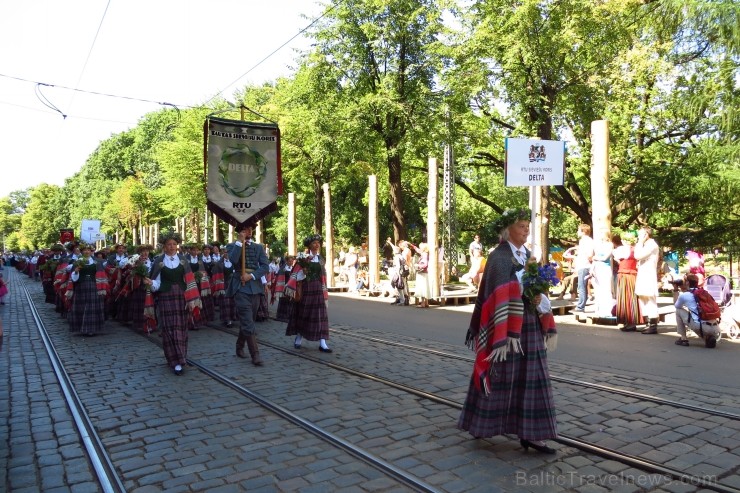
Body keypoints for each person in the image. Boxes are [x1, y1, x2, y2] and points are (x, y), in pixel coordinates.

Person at [458, 208, 558, 454]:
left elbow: (535, 289)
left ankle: (532, 434)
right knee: (499, 373)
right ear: (508, 230)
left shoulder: (529, 255)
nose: (526, 230)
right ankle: (481, 423)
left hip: (529, 326)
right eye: (522, 226)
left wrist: (539, 298)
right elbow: (498, 291)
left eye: (527, 225)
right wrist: (524, 284)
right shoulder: (498, 257)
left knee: (533, 378)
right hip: (505, 331)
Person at [146, 231, 202, 375]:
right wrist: (150, 283)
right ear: (164, 247)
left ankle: (181, 358)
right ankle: (173, 360)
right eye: (169, 244)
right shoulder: (158, 262)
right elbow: (156, 283)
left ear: (177, 246)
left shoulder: (183, 260)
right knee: (168, 329)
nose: (171, 247)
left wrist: (191, 300)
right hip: (165, 298)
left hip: (181, 298)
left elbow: (189, 281)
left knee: (181, 328)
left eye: (174, 244)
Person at [225, 222, 270, 366]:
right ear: (240, 231)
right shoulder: (232, 246)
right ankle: (255, 355)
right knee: (248, 321)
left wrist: (251, 276)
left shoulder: (258, 247)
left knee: (248, 320)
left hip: (254, 286)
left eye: (250, 228)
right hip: (240, 286)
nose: (249, 231)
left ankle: (239, 345)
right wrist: (239, 242)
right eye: (246, 228)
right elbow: (232, 260)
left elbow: (265, 266)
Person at [285, 235, 332, 352]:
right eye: (314, 243)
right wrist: (304, 272)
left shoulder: (321, 259)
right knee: (304, 313)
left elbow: (323, 275)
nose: (317, 245)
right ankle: (299, 337)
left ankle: (323, 342)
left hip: (318, 290)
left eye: (318, 243)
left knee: (321, 315)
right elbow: (296, 275)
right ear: (309, 245)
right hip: (306, 288)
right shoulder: (304, 258)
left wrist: (324, 288)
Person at [68, 243, 109, 336]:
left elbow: (102, 275)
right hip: (81, 287)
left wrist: (102, 287)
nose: (87, 252)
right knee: (82, 307)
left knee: (91, 307)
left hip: (93, 286)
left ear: (91, 252)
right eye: (85, 250)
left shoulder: (97, 262)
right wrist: (76, 271)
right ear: (82, 251)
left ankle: (91, 329)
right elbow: (73, 278)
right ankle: (81, 327)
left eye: (89, 250)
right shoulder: (77, 262)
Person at [674, 274, 720, 348]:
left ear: (687, 283)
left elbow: (677, 305)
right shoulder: (705, 292)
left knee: (678, 311)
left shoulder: (685, 295)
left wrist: (676, 290)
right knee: (698, 318)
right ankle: (708, 338)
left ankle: (683, 338)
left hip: (702, 327)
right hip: (716, 327)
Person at [612, 232, 641, 332]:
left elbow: (616, 257)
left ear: (625, 240)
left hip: (624, 275)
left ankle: (628, 322)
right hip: (633, 275)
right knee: (632, 299)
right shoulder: (636, 249)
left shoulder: (622, 249)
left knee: (625, 298)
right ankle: (632, 321)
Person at [634, 226, 661, 334]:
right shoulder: (647, 244)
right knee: (643, 297)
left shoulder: (652, 245)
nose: (638, 237)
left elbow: (638, 255)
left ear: (646, 234)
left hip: (648, 275)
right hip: (643, 273)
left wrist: (639, 242)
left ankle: (653, 325)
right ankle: (647, 323)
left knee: (650, 299)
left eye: (640, 234)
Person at [568, 224, 594, 312]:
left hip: (585, 266)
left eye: (578, 230)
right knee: (582, 286)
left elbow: (589, 254)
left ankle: (580, 306)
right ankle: (581, 305)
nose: (577, 232)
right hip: (583, 265)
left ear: (583, 231)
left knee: (581, 286)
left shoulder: (586, 241)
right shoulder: (584, 241)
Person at [591, 228, 614, 317]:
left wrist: (595, 258)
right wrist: (592, 268)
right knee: (598, 289)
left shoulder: (610, 245)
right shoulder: (598, 245)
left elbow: (605, 257)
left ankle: (607, 310)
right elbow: (594, 258)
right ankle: (598, 309)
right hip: (597, 267)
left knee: (606, 288)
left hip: (605, 267)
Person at [413, 243, 430, 307]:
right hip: (424, 273)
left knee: (422, 288)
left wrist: (418, 266)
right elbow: (418, 250)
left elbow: (425, 264)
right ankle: (426, 302)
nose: (419, 248)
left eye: (420, 247)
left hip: (422, 273)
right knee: (425, 287)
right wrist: (413, 246)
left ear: (423, 248)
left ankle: (423, 303)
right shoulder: (425, 253)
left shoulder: (424, 255)